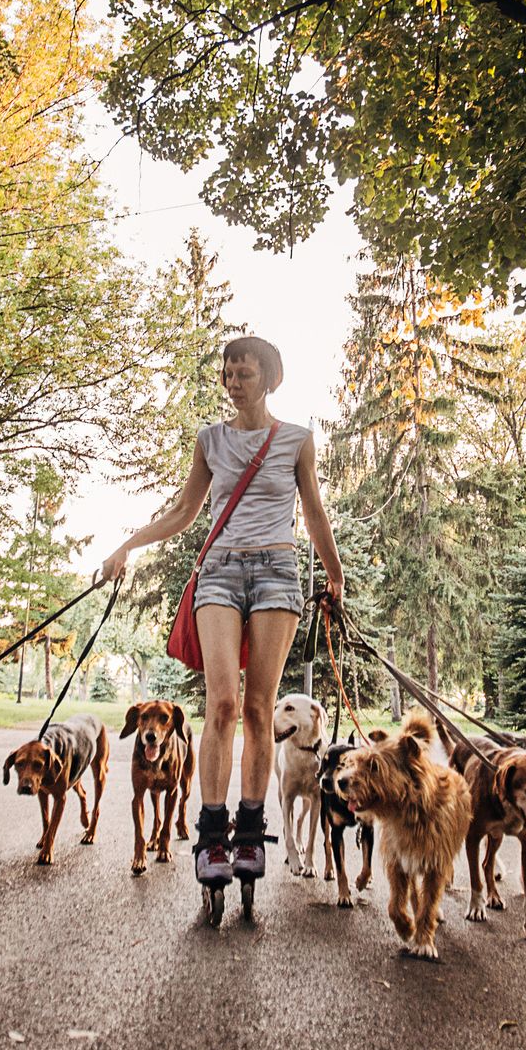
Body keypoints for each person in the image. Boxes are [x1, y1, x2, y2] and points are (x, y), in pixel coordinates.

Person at [98, 335, 345, 895]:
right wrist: (127, 546)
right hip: (219, 572)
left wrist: (334, 573)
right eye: (228, 374)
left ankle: (251, 831)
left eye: (245, 373)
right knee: (223, 703)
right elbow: (185, 511)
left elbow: (313, 511)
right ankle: (213, 832)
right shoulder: (210, 441)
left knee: (260, 708)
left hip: (279, 572)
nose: (234, 383)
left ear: (269, 378)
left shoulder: (298, 441)